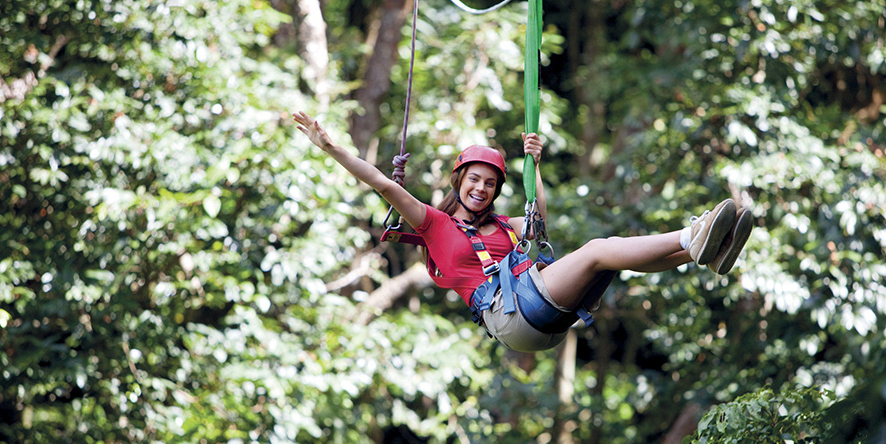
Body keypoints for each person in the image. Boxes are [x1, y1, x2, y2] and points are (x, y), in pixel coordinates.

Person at [292, 111, 753, 352]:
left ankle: (703, 252)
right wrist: (331, 147)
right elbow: (380, 181)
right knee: (598, 249)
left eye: (490, 184)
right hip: (512, 315)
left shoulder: (502, 225)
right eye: (474, 180)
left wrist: (534, 162)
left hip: (541, 314)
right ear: (459, 182)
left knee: (611, 258)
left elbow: (538, 217)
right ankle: (689, 237)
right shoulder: (433, 223)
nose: (482, 188)